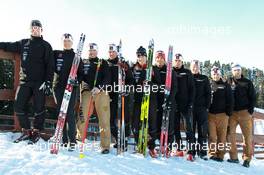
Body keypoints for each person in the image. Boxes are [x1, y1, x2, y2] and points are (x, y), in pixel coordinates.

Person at [0, 20, 54, 144]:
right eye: (33, 28)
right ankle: (26, 131)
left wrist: (48, 82)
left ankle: (36, 132)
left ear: (41, 30)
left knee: (39, 108)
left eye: (37, 28)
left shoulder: (46, 45)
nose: (35, 29)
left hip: (40, 82)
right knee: (18, 105)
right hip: (25, 82)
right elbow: (8, 46)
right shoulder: (24, 43)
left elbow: (50, 65)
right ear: (30, 30)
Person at [76, 43, 111, 154]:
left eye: (93, 50)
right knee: (82, 115)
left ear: (97, 51)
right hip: (87, 91)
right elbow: (79, 76)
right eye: (89, 50)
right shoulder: (84, 62)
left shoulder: (102, 62)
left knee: (104, 119)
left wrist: (99, 87)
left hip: (101, 92)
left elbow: (107, 77)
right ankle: (79, 139)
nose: (91, 52)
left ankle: (105, 146)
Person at [53, 33, 83, 151]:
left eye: (68, 41)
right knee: (60, 113)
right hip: (58, 87)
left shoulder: (76, 57)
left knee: (69, 113)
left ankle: (72, 140)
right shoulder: (56, 54)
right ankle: (63, 139)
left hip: (71, 88)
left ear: (72, 42)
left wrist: (77, 81)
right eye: (64, 41)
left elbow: (81, 74)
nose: (66, 43)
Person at [227, 63, 256, 168]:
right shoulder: (229, 81)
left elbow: (253, 97)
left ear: (241, 71)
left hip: (245, 113)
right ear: (232, 71)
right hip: (232, 114)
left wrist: (250, 111)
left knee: (247, 137)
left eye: (238, 70)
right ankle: (234, 157)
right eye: (235, 70)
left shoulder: (247, 82)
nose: (237, 72)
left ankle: (247, 159)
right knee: (231, 135)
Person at [131, 46, 158, 156]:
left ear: (146, 57)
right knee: (135, 125)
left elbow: (159, 85)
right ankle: (140, 145)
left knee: (151, 124)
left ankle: (151, 147)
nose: (140, 58)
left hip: (150, 99)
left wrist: (150, 84)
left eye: (142, 55)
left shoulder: (152, 69)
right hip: (138, 100)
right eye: (138, 56)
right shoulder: (134, 68)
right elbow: (130, 82)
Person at [107, 43, 133, 151]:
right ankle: (118, 139)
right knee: (111, 119)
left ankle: (124, 140)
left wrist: (126, 88)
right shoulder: (106, 63)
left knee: (122, 118)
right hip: (110, 95)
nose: (111, 53)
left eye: (113, 52)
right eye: (110, 52)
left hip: (122, 95)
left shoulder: (123, 63)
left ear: (117, 52)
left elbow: (130, 79)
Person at [151, 50, 177, 158]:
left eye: (161, 58)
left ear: (164, 59)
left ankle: (168, 147)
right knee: (155, 124)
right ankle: (154, 146)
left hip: (168, 101)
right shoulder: (152, 69)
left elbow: (174, 88)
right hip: (156, 101)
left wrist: (169, 101)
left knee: (168, 125)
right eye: (158, 58)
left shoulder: (170, 71)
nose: (159, 60)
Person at [172, 53, 196, 161]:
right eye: (175, 60)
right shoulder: (171, 72)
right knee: (175, 128)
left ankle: (191, 151)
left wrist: (190, 103)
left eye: (179, 61)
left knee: (188, 129)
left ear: (182, 62)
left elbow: (192, 89)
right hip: (174, 105)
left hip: (185, 105)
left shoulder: (187, 73)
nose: (177, 62)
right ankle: (179, 149)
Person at [208, 66, 233, 162]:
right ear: (211, 75)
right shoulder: (209, 84)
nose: (215, 76)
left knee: (222, 137)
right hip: (211, 115)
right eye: (214, 74)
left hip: (223, 115)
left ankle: (220, 155)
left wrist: (228, 113)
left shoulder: (225, 85)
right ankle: (212, 153)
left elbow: (230, 100)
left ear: (220, 74)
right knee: (212, 136)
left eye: (217, 74)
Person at [190, 60, 211, 160]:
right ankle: (192, 151)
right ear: (190, 67)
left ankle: (202, 152)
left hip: (202, 109)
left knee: (203, 131)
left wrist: (206, 107)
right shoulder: (188, 77)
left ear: (199, 68)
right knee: (191, 131)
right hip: (190, 109)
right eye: (193, 66)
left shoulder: (204, 78)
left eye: (196, 66)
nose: (195, 68)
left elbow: (208, 94)